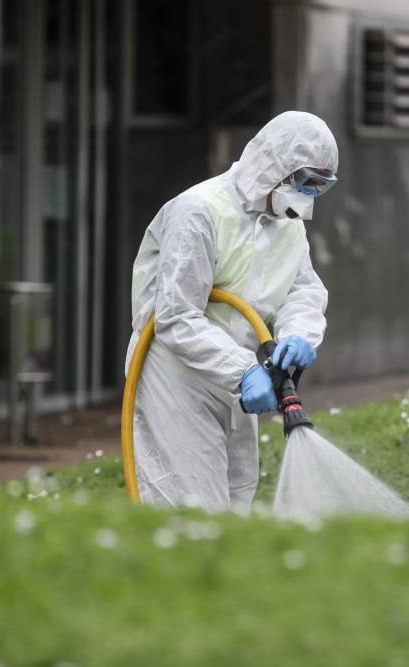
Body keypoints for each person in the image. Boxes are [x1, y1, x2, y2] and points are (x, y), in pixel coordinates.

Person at [126, 111, 339, 511]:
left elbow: (303, 289)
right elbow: (175, 316)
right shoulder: (199, 211)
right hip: (176, 374)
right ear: (276, 164)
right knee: (189, 502)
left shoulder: (287, 223)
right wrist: (241, 371)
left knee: (236, 491)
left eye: (320, 187)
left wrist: (298, 335)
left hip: (237, 375)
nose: (308, 198)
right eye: (306, 182)